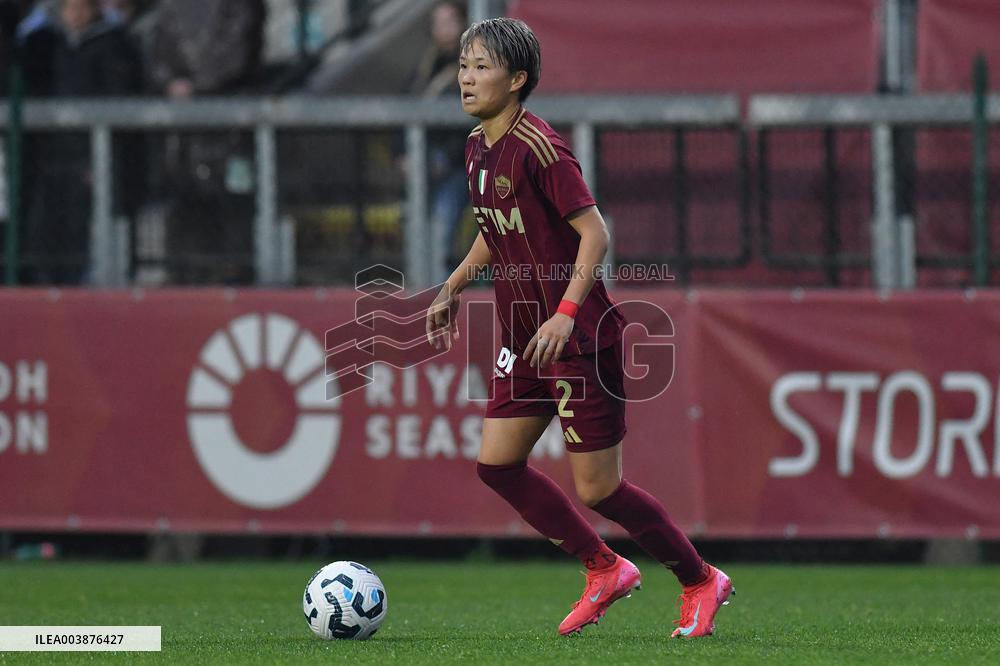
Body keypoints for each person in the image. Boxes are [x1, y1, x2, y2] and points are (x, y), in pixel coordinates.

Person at [425, 18, 733, 638]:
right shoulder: (475, 147)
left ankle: (701, 579)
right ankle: (604, 568)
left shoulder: (541, 148)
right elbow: (494, 227)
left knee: (599, 489)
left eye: (481, 66)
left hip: (577, 336)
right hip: (522, 337)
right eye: (464, 63)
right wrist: (454, 285)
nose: (465, 75)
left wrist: (565, 316)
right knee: (497, 464)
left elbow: (595, 234)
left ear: (516, 81)